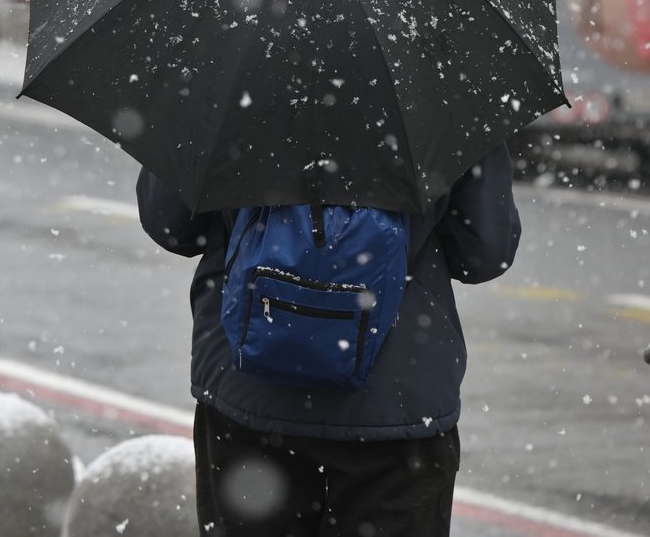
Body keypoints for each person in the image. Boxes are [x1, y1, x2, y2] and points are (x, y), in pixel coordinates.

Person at [136, 142, 521, 537]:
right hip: (396, 403)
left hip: (248, 389)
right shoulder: (446, 88)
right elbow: (484, 253)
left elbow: (170, 224)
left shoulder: (221, 84)